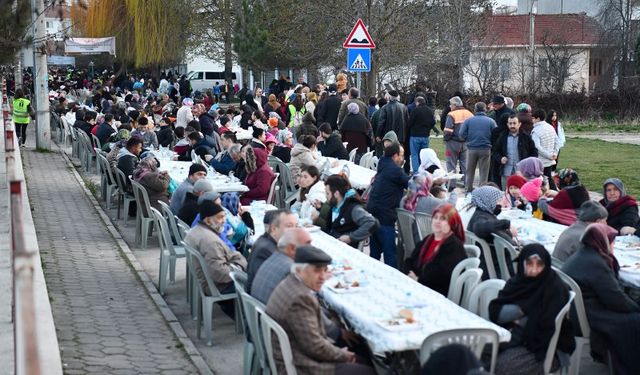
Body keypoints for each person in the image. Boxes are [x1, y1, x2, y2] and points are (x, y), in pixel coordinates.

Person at [265, 246, 375, 375]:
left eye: (325, 270)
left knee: (360, 349)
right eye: (317, 271)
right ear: (300, 270)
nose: (323, 277)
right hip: (302, 365)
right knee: (367, 370)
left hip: (295, 353)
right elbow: (315, 347)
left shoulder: (290, 283)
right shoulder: (300, 298)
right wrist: (344, 355)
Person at [562, 223, 640, 374]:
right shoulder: (595, 263)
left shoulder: (584, 254)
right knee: (635, 320)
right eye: (612, 241)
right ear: (602, 241)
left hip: (577, 309)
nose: (613, 246)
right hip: (588, 314)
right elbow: (616, 300)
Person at [489, 244, 575, 375]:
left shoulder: (554, 288)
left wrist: (520, 318)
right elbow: (495, 312)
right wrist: (524, 311)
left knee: (502, 366)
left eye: (539, 265)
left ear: (545, 265)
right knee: (481, 351)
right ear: (522, 262)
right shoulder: (517, 283)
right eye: (529, 264)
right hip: (516, 337)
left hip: (547, 349)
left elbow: (545, 325)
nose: (534, 270)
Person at [184, 201, 247, 317]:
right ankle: (252, 323)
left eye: (224, 217)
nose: (224, 221)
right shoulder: (210, 241)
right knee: (258, 286)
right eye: (220, 217)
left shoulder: (196, 231)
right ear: (207, 220)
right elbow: (221, 274)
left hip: (208, 281)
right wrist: (239, 267)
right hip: (217, 286)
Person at [406, 204, 467, 296]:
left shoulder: (454, 246)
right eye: (435, 218)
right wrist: (409, 273)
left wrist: (418, 280)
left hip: (436, 293)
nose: (437, 221)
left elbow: (440, 276)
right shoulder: (429, 239)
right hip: (418, 285)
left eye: (443, 219)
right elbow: (410, 260)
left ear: (451, 222)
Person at [366, 142, 409, 268]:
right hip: (386, 216)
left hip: (374, 214)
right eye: (401, 155)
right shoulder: (395, 170)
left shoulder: (383, 165)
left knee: (374, 254)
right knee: (391, 257)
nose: (402, 159)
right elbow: (412, 184)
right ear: (395, 156)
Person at [251, 228, 312, 304]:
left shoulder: (272, 258)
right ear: (292, 248)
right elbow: (306, 302)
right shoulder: (291, 269)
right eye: (308, 244)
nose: (312, 248)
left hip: (260, 311)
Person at [246, 210, 298, 292]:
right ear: (274, 229)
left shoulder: (265, 241)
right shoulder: (266, 250)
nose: (294, 231)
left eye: (296, 226)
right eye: (289, 226)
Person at [320, 174, 377, 247]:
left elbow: (372, 223)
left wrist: (351, 237)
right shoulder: (334, 206)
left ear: (336, 194)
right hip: (332, 245)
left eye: (327, 193)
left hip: (344, 250)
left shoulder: (352, 208)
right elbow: (330, 229)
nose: (326, 196)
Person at [459, 102, 497, 192]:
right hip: (485, 149)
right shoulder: (491, 121)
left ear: (475, 110)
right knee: (484, 173)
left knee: (469, 172)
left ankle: (468, 191)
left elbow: (461, 134)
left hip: (471, 148)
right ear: (485, 110)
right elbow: (496, 134)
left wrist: (467, 139)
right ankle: (482, 191)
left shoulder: (468, 121)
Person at [493, 115, 538, 189]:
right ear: (507, 124)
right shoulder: (503, 136)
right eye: (510, 123)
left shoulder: (526, 137)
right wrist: (500, 158)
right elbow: (495, 151)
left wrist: (528, 164)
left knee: (521, 192)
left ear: (519, 124)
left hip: (522, 172)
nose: (512, 125)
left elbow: (534, 152)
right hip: (506, 171)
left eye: (514, 123)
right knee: (506, 192)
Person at [376, 90, 409, 172]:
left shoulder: (385, 108)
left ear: (389, 97)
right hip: (401, 136)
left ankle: (389, 171)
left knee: (389, 155)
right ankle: (400, 171)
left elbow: (381, 123)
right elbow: (407, 122)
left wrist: (378, 135)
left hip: (389, 137)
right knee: (399, 155)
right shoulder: (403, 107)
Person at [443, 96, 473, 176]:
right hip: (466, 143)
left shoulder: (451, 114)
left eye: (451, 104)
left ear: (455, 105)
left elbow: (448, 130)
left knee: (451, 164)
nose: (450, 106)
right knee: (465, 165)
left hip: (452, 142)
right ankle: (467, 183)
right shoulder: (470, 114)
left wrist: (445, 140)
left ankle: (451, 185)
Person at [531, 109, 560, 190]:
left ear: (538, 118)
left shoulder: (535, 131)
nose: (532, 120)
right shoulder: (550, 127)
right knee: (549, 178)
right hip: (551, 159)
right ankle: (555, 194)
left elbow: (537, 147)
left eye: (533, 118)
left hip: (541, 160)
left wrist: (549, 155)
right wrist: (555, 153)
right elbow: (557, 142)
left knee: (541, 180)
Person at [407, 96, 436, 172]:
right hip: (425, 136)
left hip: (415, 136)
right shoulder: (429, 111)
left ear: (417, 102)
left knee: (414, 155)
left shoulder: (415, 110)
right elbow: (433, 122)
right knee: (423, 156)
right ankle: (423, 171)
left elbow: (409, 123)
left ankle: (416, 172)